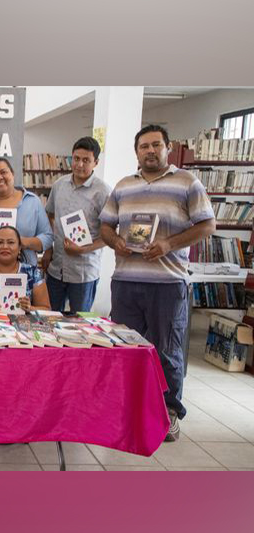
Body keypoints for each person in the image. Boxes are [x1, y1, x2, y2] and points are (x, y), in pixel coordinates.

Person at [99, 124, 216, 442]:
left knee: (166, 349)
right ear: (136, 152)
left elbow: (207, 224)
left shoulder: (187, 183)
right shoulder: (124, 186)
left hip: (167, 283)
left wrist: (169, 244)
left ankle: (168, 412)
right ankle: (126, 407)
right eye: (143, 147)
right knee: (125, 347)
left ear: (167, 148)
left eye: (156, 145)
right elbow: (106, 226)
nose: (150, 151)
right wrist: (116, 242)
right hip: (125, 281)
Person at [41, 137, 112, 313]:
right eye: (76, 158)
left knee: (79, 323)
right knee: (49, 318)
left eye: (86, 160)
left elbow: (110, 235)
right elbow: (49, 215)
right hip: (56, 268)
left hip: (84, 271)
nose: (80, 164)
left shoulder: (103, 191)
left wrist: (83, 249)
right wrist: (49, 248)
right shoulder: (59, 185)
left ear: (95, 162)